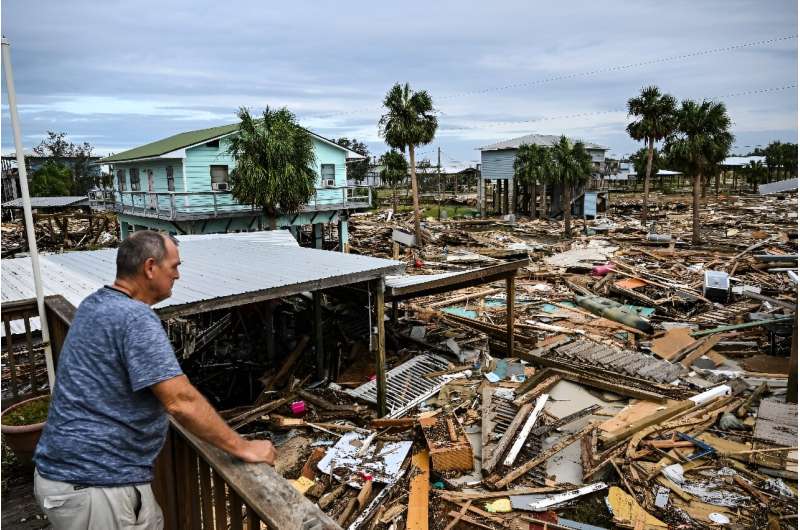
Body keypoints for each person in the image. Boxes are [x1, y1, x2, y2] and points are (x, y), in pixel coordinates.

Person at [33, 231, 276, 529]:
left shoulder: (94, 304)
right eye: (174, 266)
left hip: (76, 477)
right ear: (150, 267)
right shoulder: (135, 318)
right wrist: (243, 447)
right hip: (95, 482)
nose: (178, 275)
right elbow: (180, 401)